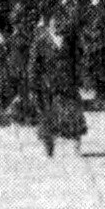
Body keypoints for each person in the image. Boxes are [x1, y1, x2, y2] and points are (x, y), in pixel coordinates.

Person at [28, 11, 86, 157]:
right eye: (55, 23)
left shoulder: (71, 41)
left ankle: (76, 147)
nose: (58, 26)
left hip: (68, 84)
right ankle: (49, 148)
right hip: (47, 86)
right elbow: (33, 67)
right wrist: (34, 85)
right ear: (48, 25)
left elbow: (79, 61)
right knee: (47, 117)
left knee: (73, 115)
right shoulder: (40, 42)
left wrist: (80, 80)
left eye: (60, 23)